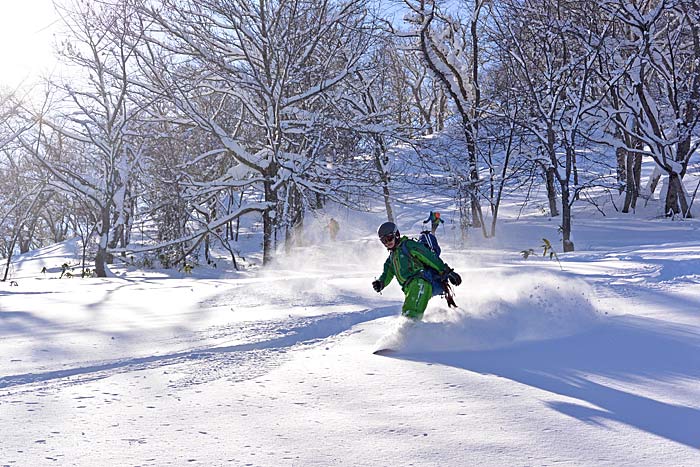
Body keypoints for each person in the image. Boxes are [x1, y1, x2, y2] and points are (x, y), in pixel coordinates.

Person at [372, 221, 462, 320]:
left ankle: (409, 331)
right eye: (383, 241)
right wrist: (381, 283)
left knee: (410, 314)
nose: (387, 242)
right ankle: (427, 328)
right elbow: (386, 274)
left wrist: (447, 271)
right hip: (410, 288)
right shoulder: (391, 259)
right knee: (408, 312)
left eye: (389, 238)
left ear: (396, 235)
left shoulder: (408, 245)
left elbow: (429, 257)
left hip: (421, 282)